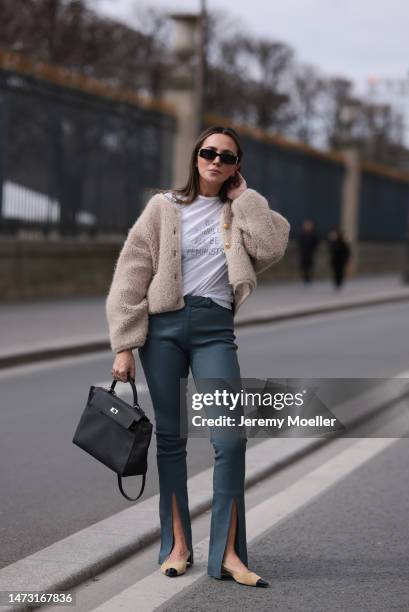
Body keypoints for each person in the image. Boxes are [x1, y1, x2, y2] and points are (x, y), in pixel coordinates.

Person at [105, 125, 290, 588]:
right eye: (208, 152)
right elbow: (132, 273)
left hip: (214, 330)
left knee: (230, 440)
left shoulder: (241, 210)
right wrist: (124, 344)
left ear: (235, 167)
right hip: (163, 329)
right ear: (195, 156)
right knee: (170, 440)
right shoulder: (164, 207)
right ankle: (177, 547)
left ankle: (228, 554)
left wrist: (246, 198)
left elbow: (272, 246)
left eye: (226, 157)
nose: (215, 161)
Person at [298, 219, 319, 284]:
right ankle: (305, 278)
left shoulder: (313, 235)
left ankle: (309, 278)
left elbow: (315, 244)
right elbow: (300, 244)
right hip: (304, 253)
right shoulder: (302, 235)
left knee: (310, 266)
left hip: (310, 253)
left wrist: (314, 250)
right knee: (304, 266)